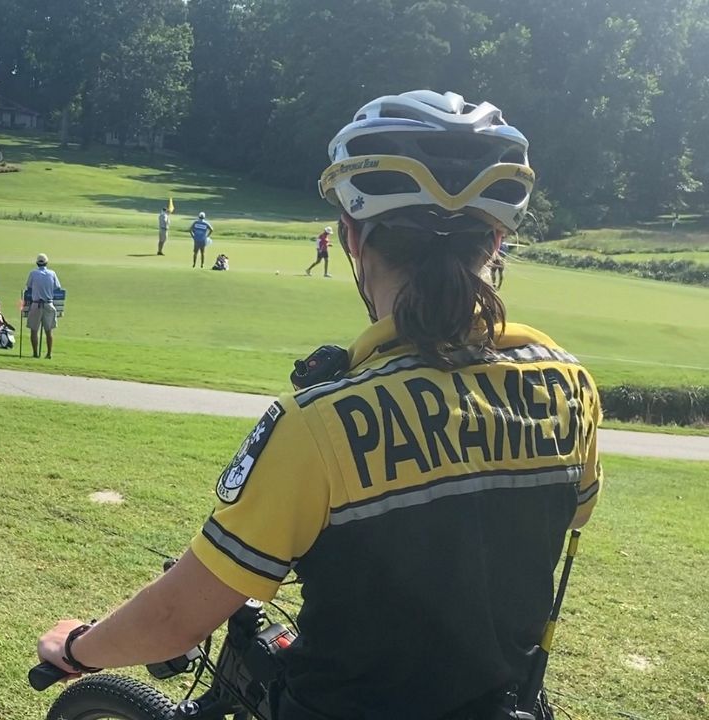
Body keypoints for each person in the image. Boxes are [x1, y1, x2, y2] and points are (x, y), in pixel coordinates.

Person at [36, 90, 602, 720]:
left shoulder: (318, 422)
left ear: (351, 236)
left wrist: (79, 647)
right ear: (496, 241)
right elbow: (567, 517)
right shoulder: (569, 382)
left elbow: (177, 618)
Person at [25, 253, 62, 359]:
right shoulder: (52, 273)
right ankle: (49, 353)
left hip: (36, 304)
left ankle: (35, 353)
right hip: (48, 304)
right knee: (49, 330)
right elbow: (57, 287)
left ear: (37, 263)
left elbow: (29, 287)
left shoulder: (33, 273)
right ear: (47, 262)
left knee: (34, 330)